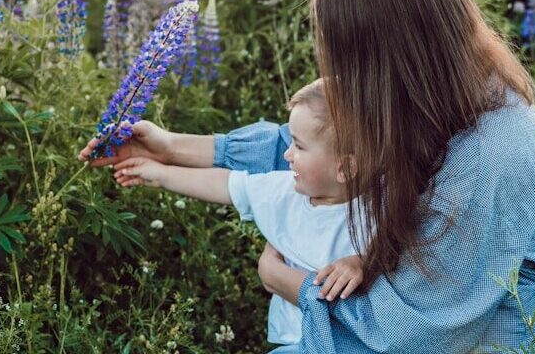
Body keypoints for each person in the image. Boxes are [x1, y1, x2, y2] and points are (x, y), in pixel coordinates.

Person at [80, 0, 535, 352]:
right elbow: (323, 152)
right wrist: (170, 148)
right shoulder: (441, 93)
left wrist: (286, 282)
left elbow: (413, 335)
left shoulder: (490, 155)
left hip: (481, 341)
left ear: (392, 57)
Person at [101, 80, 370, 350]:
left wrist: (361, 261)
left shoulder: (379, 207)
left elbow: (400, 253)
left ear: (345, 168)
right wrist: (159, 174)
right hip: (295, 341)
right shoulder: (284, 191)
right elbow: (227, 185)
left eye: (299, 147)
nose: (287, 155)